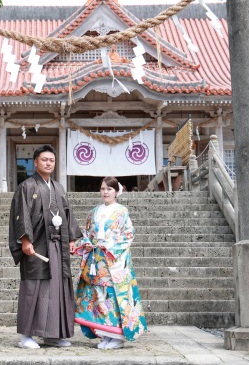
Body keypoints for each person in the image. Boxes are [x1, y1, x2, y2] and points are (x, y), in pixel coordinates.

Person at [8, 145, 82, 349]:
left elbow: (67, 214)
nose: (48, 163)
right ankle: (27, 335)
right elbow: (20, 214)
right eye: (44, 160)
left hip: (58, 245)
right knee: (34, 288)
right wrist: (25, 240)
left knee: (58, 288)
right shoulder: (27, 186)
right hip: (38, 244)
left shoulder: (58, 187)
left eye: (51, 160)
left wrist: (72, 239)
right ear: (35, 162)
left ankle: (52, 334)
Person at [74, 176, 147, 349]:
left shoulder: (122, 211)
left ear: (116, 191)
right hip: (96, 259)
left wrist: (108, 246)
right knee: (98, 296)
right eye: (103, 189)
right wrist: (88, 244)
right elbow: (86, 233)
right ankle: (104, 334)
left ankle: (116, 336)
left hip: (114, 260)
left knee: (113, 296)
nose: (105, 192)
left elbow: (128, 234)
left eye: (109, 189)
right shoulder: (93, 212)